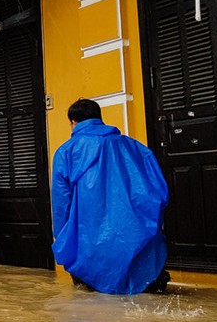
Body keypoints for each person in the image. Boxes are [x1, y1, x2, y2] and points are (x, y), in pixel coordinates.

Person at [51, 98, 170, 295]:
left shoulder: (66, 152)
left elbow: (62, 201)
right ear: (99, 118)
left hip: (88, 247)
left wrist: (62, 236)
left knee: (90, 311)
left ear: (73, 122)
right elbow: (160, 193)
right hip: (137, 243)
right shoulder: (136, 147)